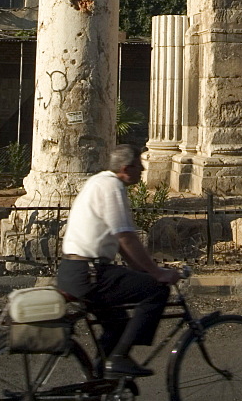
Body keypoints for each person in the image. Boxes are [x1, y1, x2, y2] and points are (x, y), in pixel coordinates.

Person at [56, 143, 180, 378]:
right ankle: (120, 359)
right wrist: (157, 274)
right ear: (125, 168)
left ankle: (96, 388)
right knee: (156, 291)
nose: (143, 171)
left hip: (74, 271)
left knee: (118, 324)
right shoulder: (112, 187)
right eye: (139, 166)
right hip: (90, 274)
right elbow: (125, 237)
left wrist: (143, 270)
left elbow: (121, 245)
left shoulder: (97, 182)